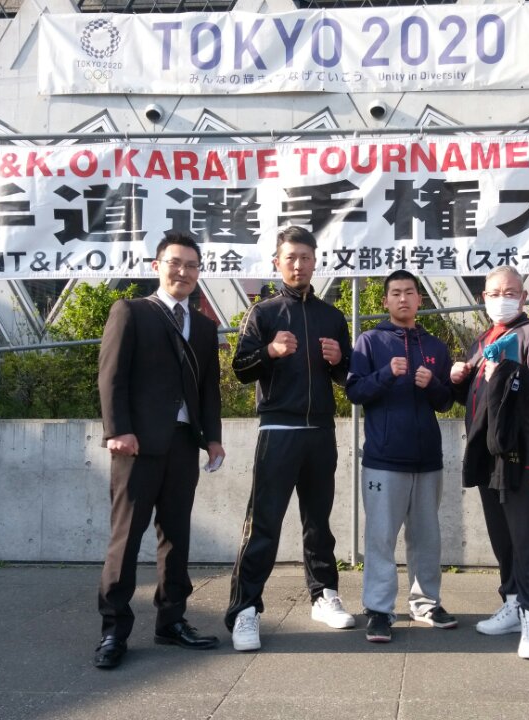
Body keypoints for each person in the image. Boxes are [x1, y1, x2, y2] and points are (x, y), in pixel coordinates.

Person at [93, 231, 226, 670]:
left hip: (184, 444)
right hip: (137, 445)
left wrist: (212, 437)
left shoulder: (203, 326)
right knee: (126, 538)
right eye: (175, 263)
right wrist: (118, 430)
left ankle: (172, 621)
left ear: (199, 272)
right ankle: (114, 630)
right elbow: (111, 375)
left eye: (191, 266)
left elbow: (208, 388)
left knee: (176, 536)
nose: (183, 272)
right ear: (157, 266)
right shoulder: (131, 311)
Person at [224, 226, 355, 652]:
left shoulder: (332, 316)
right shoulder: (263, 313)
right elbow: (240, 369)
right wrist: (270, 352)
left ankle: (324, 595)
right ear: (277, 263)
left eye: (305, 257)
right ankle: (245, 610)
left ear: (316, 261)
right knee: (263, 523)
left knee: (319, 522)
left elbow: (348, 377)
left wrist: (340, 361)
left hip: (320, 431)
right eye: (290, 258)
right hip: (278, 430)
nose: (298, 265)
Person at [449, 265, 529, 660]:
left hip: (523, 452)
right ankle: (513, 602)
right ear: (483, 298)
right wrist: (458, 378)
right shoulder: (482, 341)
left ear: (524, 296)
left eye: (510, 292)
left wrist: (512, 370)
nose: (502, 299)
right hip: (486, 451)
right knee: (502, 535)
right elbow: (476, 396)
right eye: (494, 293)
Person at [346, 270, 457, 643]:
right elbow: (354, 392)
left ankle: (425, 604)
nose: (403, 299)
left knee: (427, 537)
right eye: (395, 293)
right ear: (385, 301)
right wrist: (385, 374)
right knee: (380, 537)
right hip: (383, 459)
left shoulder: (435, 346)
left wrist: (433, 384)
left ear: (419, 300)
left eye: (409, 292)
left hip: (427, 460)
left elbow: (446, 401)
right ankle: (379, 609)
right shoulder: (369, 341)